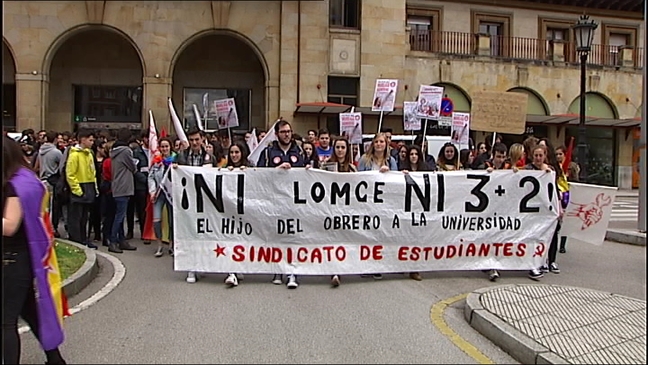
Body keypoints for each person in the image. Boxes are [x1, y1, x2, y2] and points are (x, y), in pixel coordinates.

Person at [3, 137, 67, 365]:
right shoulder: (27, 179)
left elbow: (9, 225)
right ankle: (55, 359)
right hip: (24, 257)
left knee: (6, 321)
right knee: (28, 311)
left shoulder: (15, 185)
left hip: (12, 260)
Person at [257, 119, 306, 289]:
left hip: (294, 200)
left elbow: (307, 172)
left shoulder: (299, 150)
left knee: (292, 236)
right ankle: (277, 269)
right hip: (275, 200)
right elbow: (259, 174)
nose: (287, 135)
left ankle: (293, 272)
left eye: (289, 131)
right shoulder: (268, 151)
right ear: (277, 134)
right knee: (277, 235)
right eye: (283, 132)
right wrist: (277, 171)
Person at [65, 129, 99, 249]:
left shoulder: (89, 153)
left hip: (88, 187)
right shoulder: (74, 154)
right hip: (80, 188)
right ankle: (76, 240)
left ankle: (84, 239)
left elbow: (92, 172)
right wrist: (77, 190)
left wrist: (94, 188)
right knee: (76, 217)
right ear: (83, 139)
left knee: (85, 217)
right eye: (90, 140)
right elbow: (70, 174)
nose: (92, 143)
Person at [148, 138, 176, 258]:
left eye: (167, 146)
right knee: (157, 220)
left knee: (172, 221)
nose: (165, 149)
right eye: (162, 147)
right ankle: (159, 245)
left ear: (170, 147)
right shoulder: (156, 161)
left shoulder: (175, 160)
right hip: (159, 194)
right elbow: (151, 177)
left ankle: (171, 244)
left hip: (171, 195)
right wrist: (152, 191)